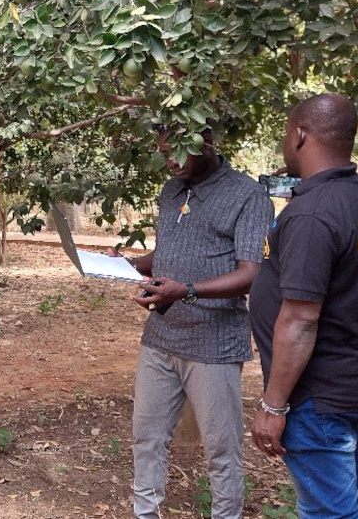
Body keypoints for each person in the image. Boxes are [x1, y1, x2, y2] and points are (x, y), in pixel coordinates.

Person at [112, 126, 274, 519]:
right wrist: (126, 264)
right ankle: (145, 513)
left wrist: (185, 290)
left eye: (179, 151)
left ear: (208, 142)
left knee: (221, 450)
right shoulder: (171, 191)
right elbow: (169, 250)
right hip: (161, 338)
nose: (171, 161)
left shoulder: (247, 196)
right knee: (146, 438)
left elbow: (252, 272)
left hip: (214, 345)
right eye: (164, 152)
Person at [249, 93, 358, 519]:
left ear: (300, 134)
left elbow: (300, 320)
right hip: (354, 375)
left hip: (317, 395)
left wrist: (272, 407)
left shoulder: (311, 216)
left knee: (330, 512)